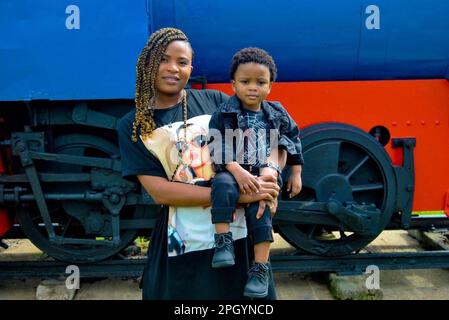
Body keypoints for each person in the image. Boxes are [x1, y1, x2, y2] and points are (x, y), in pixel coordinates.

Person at [117, 28, 281, 300]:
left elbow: (263, 140)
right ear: (147, 63)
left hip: (238, 234)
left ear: (191, 68)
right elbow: (160, 191)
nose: (173, 69)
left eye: (182, 62)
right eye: (162, 59)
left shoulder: (215, 100)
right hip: (183, 242)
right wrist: (236, 196)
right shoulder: (133, 124)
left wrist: (269, 178)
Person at [208, 47, 304, 298]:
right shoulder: (223, 113)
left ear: (270, 85)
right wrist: (236, 170)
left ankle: (260, 268)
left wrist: (295, 172)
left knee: (260, 208)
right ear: (233, 85)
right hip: (233, 169)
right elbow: (215, 143)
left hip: (265, 173)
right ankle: (223, 242)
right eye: (245, 82)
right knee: (221, 184)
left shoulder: (277, 113)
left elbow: (292, 138)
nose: (253, 87)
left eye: (260, 82)